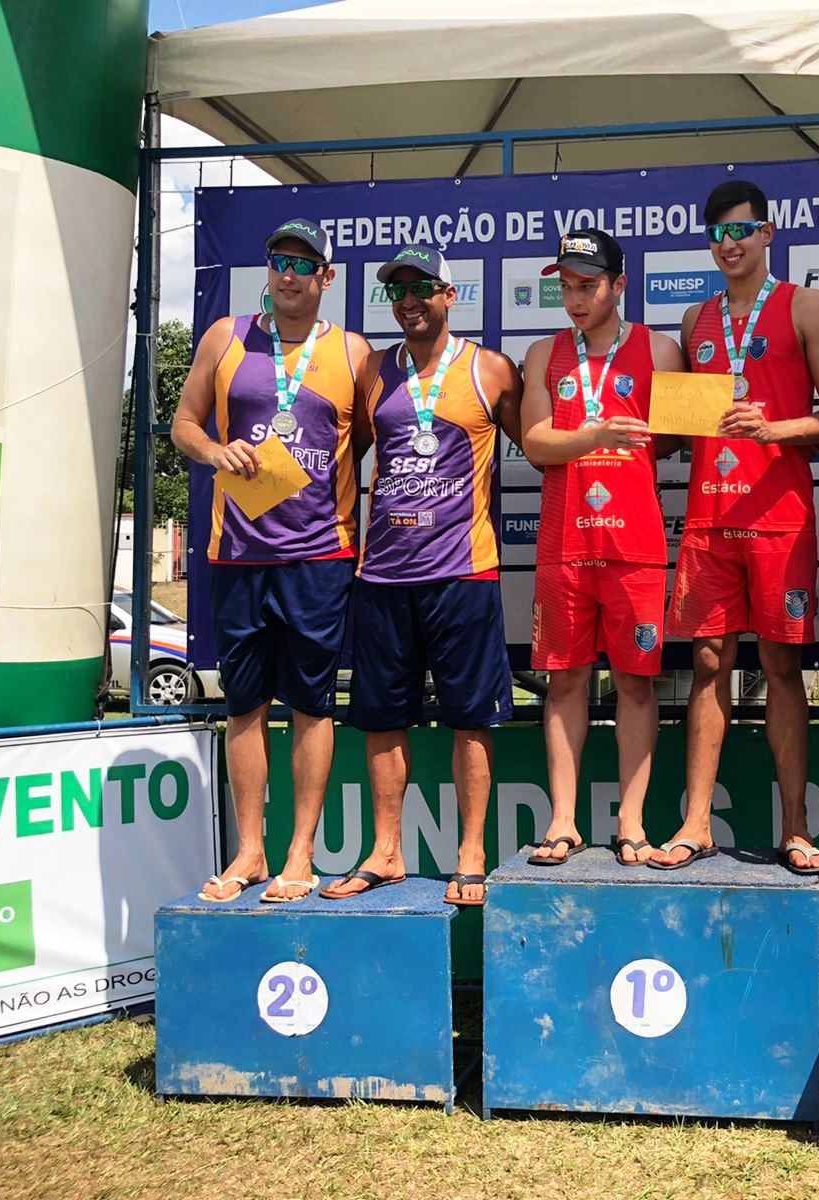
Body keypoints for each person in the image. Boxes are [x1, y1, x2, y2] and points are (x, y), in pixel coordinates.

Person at [316, 244, 523, 907]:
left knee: (470, 721)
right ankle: (386, 851)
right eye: (396, 290)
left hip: (464, 574)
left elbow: (539, 445)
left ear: (448, 295)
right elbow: (343, 460)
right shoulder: (375, 372)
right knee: (381, 718)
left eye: (421, 287)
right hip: (383, 578)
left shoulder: (489, 369)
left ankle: (470, 855)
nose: (408, 300)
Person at [655, 179, 819, 872]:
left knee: (781, 666)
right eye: (717, 234)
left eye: (742, 230)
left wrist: (774, 428)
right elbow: (678, 428)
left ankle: (795, 827)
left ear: (768, 234)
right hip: (710, 519)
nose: (729, 244)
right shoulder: (694, 320)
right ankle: (696, 822)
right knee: (706, 665)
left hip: (779, 521)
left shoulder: (807, 306)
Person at [172, 218, 369, 903]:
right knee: (245, 705)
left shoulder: (352, 352)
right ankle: (250, 851)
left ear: (327, 277)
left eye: (305, 264)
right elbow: (184, 422)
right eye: (280, 260)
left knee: (313, 705)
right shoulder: (226, 337)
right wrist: (211, 451)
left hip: (319, 556)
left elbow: (371, 438)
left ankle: (300, 853)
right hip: (238, 554)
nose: (290, 273)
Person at [518, 230, 686, 867]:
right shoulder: (543, 353)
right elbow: (536, 443)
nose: (576, 297)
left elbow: (672, 437)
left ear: (620, 284)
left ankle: (632, 822)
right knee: (564, 682)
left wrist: (607, 442)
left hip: (636, 545)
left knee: (638, 686)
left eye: (588, 284)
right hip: (565, 545)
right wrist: (596, 434)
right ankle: (563, 820)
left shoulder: (660, 350)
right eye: (566, 285)